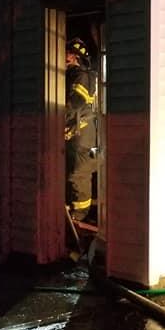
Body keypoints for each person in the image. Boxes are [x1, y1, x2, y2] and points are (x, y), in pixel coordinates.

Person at [65, 37, 98, 223]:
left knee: (79, 175)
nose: (63, 56)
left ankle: (79, 219)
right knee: (74, 174)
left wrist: (56, 117)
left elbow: (75, 102)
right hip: (77, 134)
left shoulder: (81, 76)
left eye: (67, 52)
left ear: (75, 56)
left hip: (83, 136)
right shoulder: (71, 75)